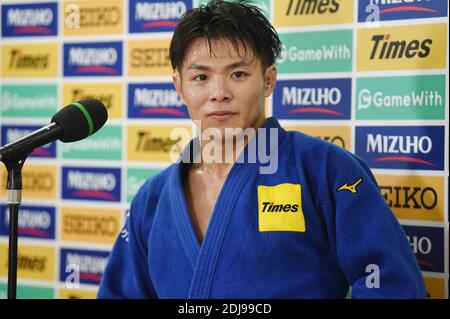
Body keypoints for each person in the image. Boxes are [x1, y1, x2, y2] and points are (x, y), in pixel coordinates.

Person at [98, 0, 426, 298]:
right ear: (178, 86)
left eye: (237, 74)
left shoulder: (326, 170)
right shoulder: (152, 200)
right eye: (200, 77)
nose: (218, 93)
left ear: (268, 80)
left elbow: (393, 285)